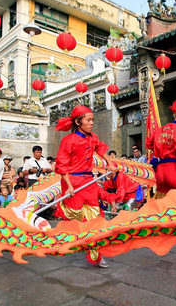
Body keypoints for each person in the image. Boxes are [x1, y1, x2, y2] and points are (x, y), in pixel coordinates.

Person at [54, 105, 117, 268]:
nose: (91, 123)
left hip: (89, 183)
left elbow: (101, 149)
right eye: (88, 120)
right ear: (78, 121)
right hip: (73, 184)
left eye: (92, 120)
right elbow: (62, 166)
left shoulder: (92, 137)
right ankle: (74, 241)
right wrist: (68, 187)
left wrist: (110, 163)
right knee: (76, 220)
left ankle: (97, 253)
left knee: (95, 220)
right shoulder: (68, 141)